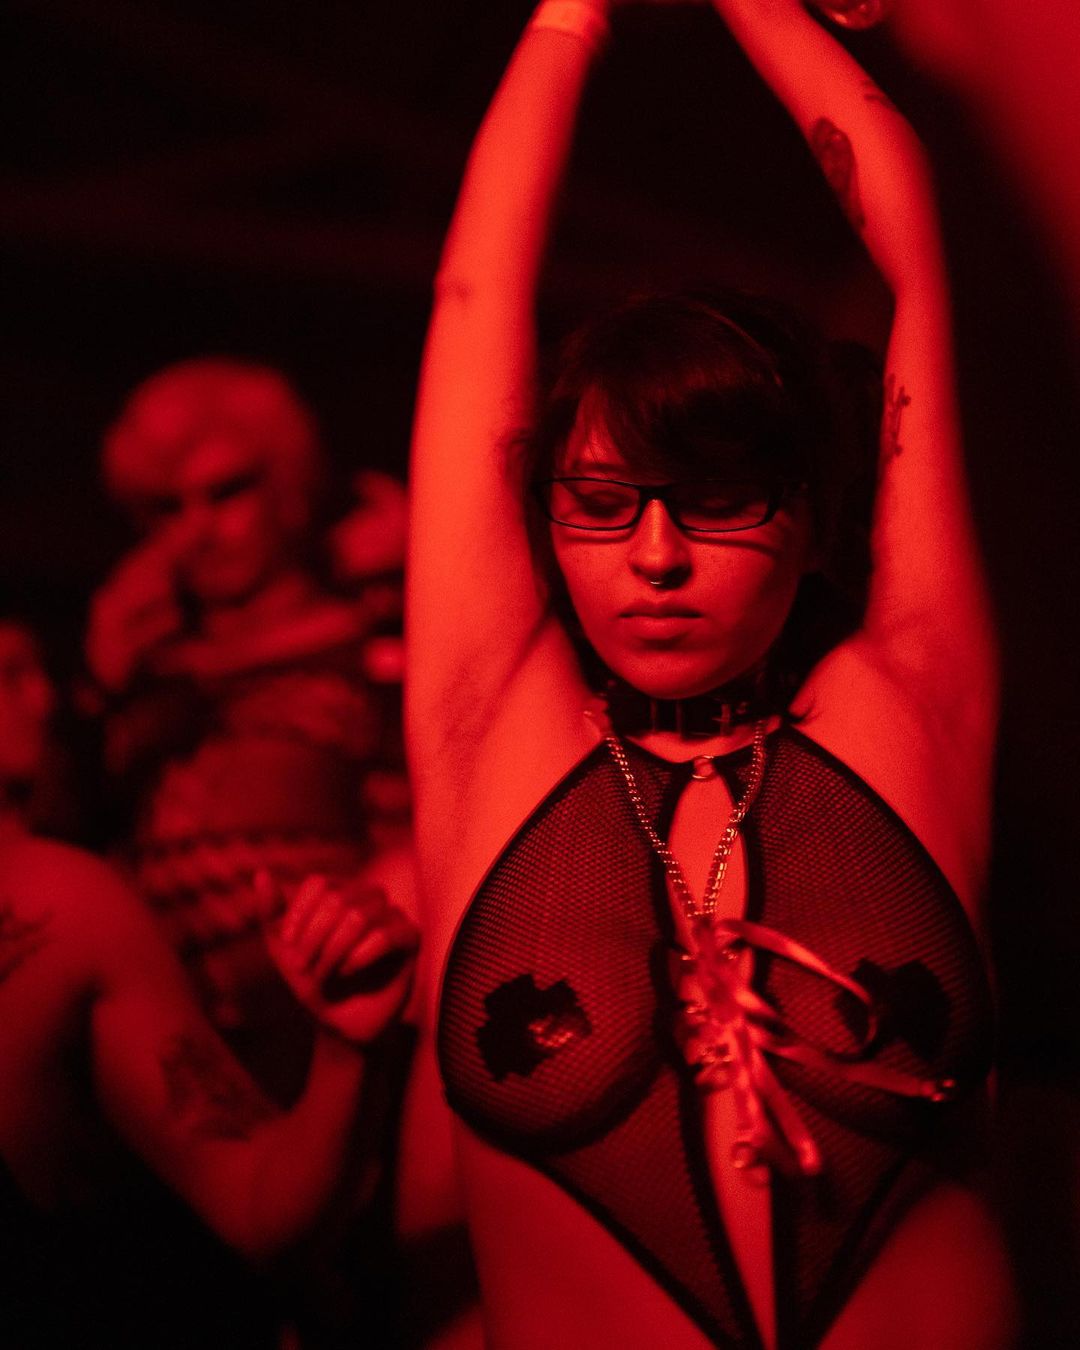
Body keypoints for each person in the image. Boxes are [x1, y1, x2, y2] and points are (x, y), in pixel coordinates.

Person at [406, 2, 1017, 1347]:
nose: (657, 557)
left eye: (719, 503)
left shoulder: (909, 702)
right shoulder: (489, 729)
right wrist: (572, 14)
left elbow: (922, 248)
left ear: (810, 520)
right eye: (602, 505)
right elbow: (475, 295)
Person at [0, 610, 418, 1348]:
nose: (45, 698)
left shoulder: (61, 905)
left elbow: (257, 1203)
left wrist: (342, 1051)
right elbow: (259, 1208)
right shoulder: (60, 902)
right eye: (6, 676)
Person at [84, 357, 408, 1106]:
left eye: (227, 492)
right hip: (162, 1040)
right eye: (167, 509)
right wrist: (98, 696)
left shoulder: (371, 646)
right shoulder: (145, 669)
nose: (198, 531)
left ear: (289, 491)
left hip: (323, 1022)